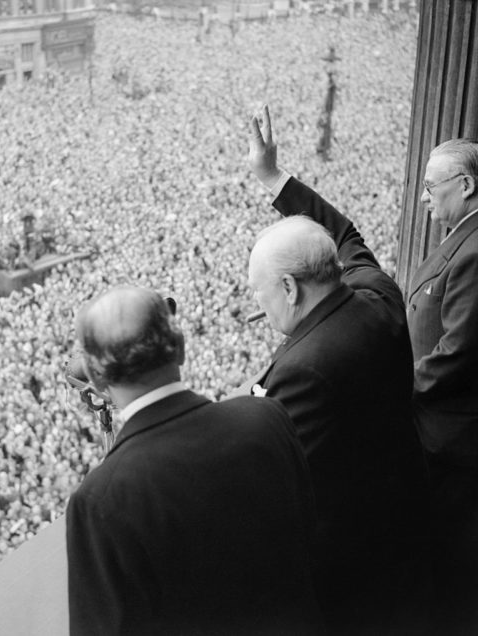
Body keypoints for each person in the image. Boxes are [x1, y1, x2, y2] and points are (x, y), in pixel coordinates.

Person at [236, 106, 430, 635]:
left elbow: (273, 470)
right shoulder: (378, 291)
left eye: (261, 293)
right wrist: (274, 179)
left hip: (350, 555)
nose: (260, 306)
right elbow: (344, 233)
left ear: (291, 288)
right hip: (409, 501)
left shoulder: (302, 368)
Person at [65, 286, 323, 636]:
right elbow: (311, 540)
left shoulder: (100, 499)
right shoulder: (266, 417)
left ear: (96, 381)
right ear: (182, 348)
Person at [408, 138, 478, 634]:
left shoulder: (474, 251)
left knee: (447, 563)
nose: (425, 197)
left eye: (432, 187)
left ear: (468, 185)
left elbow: (457, 354)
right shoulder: (462, 235)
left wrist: (391, 385)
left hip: (450, 442)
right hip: (439, 435)